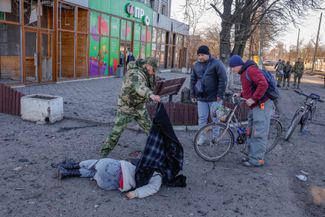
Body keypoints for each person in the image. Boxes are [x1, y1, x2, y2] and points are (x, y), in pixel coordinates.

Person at [101, 58, 161, 157]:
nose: (153, 73)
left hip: (139, 107)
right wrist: (151, 95)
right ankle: (103, 155)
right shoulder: (134, 74)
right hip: (126, 108)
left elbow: (148, 84)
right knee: (116, 132)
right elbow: (139, 87)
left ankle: (158, 152)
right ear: (148, 65)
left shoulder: (146, 71)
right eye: (153, 70)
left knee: (150, 129)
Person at [228, 55, 273, 167]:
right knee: (251, 130)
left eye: (233, 67)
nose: (232, 70)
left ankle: (257, 160)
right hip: (255, 105)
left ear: (238, 65)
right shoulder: (244, 73)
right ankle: (251, 155)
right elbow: (251, 88)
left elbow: (263, 84)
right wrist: (241, 94)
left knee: (258, 132)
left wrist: (253, 99)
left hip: (262, 104)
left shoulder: (250, 70)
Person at [57, 158, 161, 199]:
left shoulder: (150, 159)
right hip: (111, 184)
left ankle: (73, 166)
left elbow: (132, 161)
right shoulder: (158, 178)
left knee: (95, 163)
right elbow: (150, 189)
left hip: (114, 168)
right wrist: (135, 193)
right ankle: (69, 174)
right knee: (93, 174)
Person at [190, 45, 227, 145]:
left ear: (207, 54)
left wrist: (220, 95)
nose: (200, 57)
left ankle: (215, 138)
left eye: (202, 55)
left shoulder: (217, 63)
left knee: (216, 119)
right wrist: (192, 94)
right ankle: (201, 138)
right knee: (202, 119)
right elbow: (192, 80)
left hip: (215, 98)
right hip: (201, 97)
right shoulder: (195, 65)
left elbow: (223, 79)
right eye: (198, 55)